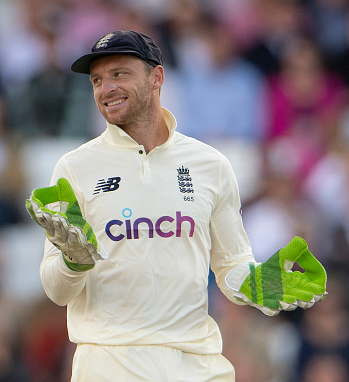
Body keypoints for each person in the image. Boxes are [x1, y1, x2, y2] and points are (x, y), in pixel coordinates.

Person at [26, 30, 327, 382]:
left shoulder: (209, 165)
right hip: (110, 364)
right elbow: (57, 291)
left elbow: (231, 264)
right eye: (97, 80)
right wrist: (72, 261)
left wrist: (259, 284)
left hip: (196, 364)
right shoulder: (74, 169)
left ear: (157, 77)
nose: (106, 88)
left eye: (119, 74)